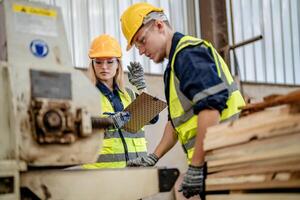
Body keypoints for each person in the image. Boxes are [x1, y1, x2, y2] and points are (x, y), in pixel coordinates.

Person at [120, 3, 245, 199]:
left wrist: (196, 165)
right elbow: (176, 123)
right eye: (138, 47)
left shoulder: (187, 54)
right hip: (214, 159)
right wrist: (154, 156)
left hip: (226, 156)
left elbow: (210, 108)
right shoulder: (174, 66)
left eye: (142, 41)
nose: (142, 51)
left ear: (160, 26)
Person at [82, 34, 156, 169]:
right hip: (101, 174)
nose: (104, 67)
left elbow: (153, 117)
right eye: (98, 62)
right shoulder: (85, 96)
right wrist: (109, 122)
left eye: (110, 62)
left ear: (118, 64)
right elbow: (79, 130)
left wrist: (142, 88)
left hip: (136, 170)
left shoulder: (129, 94)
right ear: (92, 64)